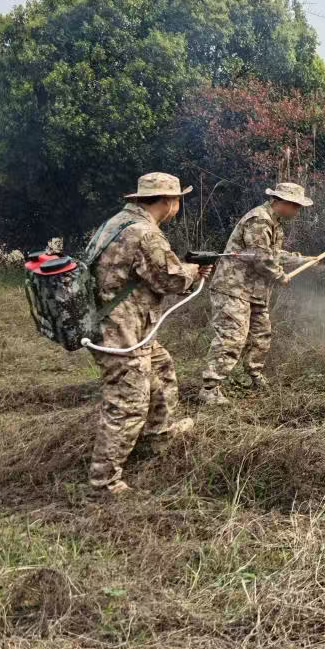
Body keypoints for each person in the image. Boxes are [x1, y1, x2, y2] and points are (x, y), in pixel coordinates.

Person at [88, 172, 213, 494]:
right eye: (177, 201)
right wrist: (194, 271)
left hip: (124, 324)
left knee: (161, 367)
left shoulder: (116, 222)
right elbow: (169, 281)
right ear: (168, 202)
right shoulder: (146, 234)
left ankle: (160, 432)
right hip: (121, 332)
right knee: (128, 402)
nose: (177, 208)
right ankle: (104, 482)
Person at [199, 182, 314, 405]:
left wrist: (301, 259)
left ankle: (252, 376)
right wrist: (280, 276)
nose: (297, 211)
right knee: (232, 337)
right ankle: (210, 388)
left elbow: (273, 253)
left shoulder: (274, 223)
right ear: (281, 202)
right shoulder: (259, 219)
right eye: (296, 206)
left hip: (255, 292)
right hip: (234, 288)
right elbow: (260, 257)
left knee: (261, 335)